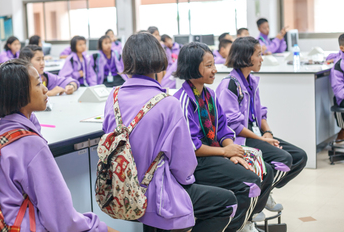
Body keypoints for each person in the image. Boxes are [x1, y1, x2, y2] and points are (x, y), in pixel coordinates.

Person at [102, 33, 237, 232]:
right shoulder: (167, 103)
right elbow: (184, 166)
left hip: (121, 191)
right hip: (158, 198)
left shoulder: (112, 97)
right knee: (227, 202)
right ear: (160, 59)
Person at [0, 59, 117, 232]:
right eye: (38, 84)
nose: (45, 89)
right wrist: (100, 227)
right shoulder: (30, 145)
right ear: (20, 94)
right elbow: (64, 220)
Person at [173, 42, 274, 232]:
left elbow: (223, 129)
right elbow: (192, 147)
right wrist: (224, 151)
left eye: (213, 64)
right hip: (198, 161)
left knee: (265, 171)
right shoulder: (183, 101)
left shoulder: (210, 95)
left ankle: (246, 222)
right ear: (193, 67)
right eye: (209, 65)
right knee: (250, 184)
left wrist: (232, 151)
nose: (215, 70)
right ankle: (235, 227)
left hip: (215, 152)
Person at [216, 37, 307, 222]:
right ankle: (256, 204)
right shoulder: (229, 85)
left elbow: (260, 112)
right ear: (246, 57)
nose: (262, 58)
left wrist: (268, 133)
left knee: (299, 156)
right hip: (240, 138)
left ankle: (265, 192)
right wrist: (262, 140)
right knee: (283, 158)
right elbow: (233, 126)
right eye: (259, 54)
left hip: (256, 134)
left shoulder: (251, 82)